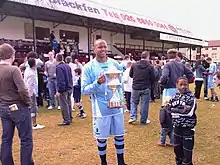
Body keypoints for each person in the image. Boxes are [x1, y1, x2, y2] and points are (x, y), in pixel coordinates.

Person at [81, 39, 126, 165]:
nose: (103, 49)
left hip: (117, 107)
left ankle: (121, 162)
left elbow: (120, 84)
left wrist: (122, 101)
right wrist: (97, 83)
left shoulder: (114, 64)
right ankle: (103, 162)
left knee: (120, 135)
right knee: (102, 138)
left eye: (105, 47)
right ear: (94, 49)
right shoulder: (88, 67)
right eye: (100, 47)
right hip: (101, 109)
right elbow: (84, 90)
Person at [0, 43, 34, 165]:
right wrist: (28, 103)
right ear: (12, 55)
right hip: (18, 107)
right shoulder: (14, 69)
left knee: (6, 138)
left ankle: (6, 162)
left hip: (3, 107)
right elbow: (22, 89)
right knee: (26, 139)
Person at [168, 76, 197, 165]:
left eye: (185, 84)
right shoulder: (175, 97)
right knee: (177, 149)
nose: (183, 87)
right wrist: (179, 109)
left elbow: (188, 112)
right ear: (177, 85)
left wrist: (175, 110)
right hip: (177, 127)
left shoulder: (191, 97)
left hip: (187, 128)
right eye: (181, 84)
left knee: (187, 151)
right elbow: (168, 108)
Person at [128, 51, 155, 124]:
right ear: (148, 57)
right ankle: (143, 120)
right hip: (145, 87)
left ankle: (133, 117)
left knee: (133, 102)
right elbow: (153, 77)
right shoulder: (150, 66)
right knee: (144, 104)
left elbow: (130, 75)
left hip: (135, 86)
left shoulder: (134, 65)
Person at [24, 58, 45, 130]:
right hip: (31, 92)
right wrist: (30, 95)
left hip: (28, 91)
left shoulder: (27, 70)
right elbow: (30, 85)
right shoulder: (32, 74)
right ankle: (34, 124)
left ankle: (31, 123)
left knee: (30, 108)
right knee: (33, 108)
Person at [56, 53, 73, 126]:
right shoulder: (67, 66)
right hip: (69, 87)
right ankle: (69, 117)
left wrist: (59, 90)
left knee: (64, 104)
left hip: (64, 88)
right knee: (69, 103)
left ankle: (66, 120)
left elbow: (61, 79)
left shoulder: (59, 68)